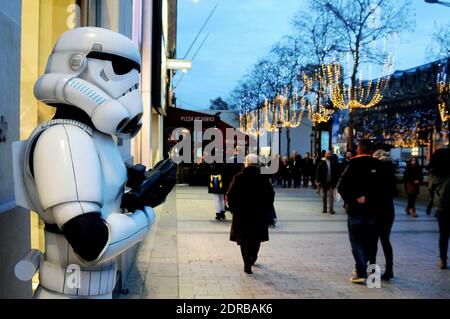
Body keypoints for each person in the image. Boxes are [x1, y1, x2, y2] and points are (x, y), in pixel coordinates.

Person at [337, 140, 380, 284]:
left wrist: (354, 198)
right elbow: (384, 188)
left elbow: (341, 186)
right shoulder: (377, 164)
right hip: (372, 209)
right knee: (368, 240)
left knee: (356, 240)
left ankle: (361, 271)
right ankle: (361, 266)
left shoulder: (353, 164)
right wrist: (369, 197)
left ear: (360, 149)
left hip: (355, 209)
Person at [226, 154, 275, 274]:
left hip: (242, 214)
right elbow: (270, 195)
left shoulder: (239, 177)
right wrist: (266, 208)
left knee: (244, 239)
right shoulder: (263, 178)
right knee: (256, 238)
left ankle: (246, 263)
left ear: (246, 163)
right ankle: (253, 257)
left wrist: (233, 209)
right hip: (259, 214)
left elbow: (230, 195)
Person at [371, 148, 397, 280]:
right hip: (389, 209)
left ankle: (373, 270)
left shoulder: (377, 170)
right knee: (385, 240)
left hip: (377, 209)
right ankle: (389, 269)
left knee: (373, 241)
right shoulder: (391, 171)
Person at [428, 147, 450, 269]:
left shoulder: (434, 175)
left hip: (442, 207)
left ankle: (443, 259)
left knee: (443, 234)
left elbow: (430, 189)